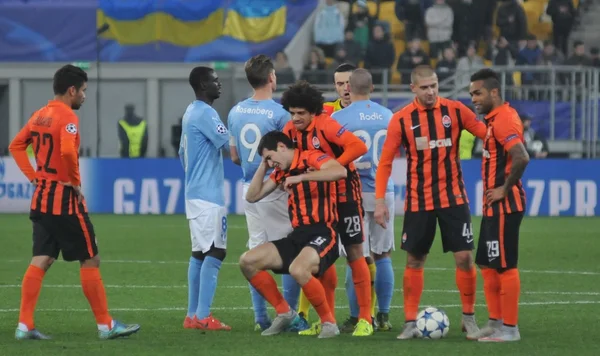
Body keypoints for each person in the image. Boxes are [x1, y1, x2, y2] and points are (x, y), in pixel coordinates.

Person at [8, 64, 140, 340]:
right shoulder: (67, 117)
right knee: (90, 258)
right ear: (71, 90)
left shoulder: (39, 115)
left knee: (41, 259)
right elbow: (68, 150)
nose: (84, 96)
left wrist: (34, 177)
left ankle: (24, 325)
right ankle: (106, 325)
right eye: (83, 91)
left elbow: (16, 146)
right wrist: (75, 182)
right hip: (63, 199)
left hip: (41, 197)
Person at [374, 65, 487, 340]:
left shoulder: (456, 110)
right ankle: (411, 322)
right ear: (413, 88)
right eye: (424, 87)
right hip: (418, 200)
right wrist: (379, 200)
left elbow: (486, 134)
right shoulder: (401, 119)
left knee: (465, 257)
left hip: (454, 197)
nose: (431, 91)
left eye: (434, 85)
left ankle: (469, 318)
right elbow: (386, 161)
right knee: (415, 260)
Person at [282, 81, 373, 337]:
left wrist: (333, 167)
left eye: (301, 113)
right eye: (292, 112)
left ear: (313, 111)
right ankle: (327, 320)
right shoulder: (289, 130)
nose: (296, 118)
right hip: (318, 199)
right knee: (324, 257)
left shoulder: (326, 124)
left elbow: (358, 146)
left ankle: (365, 318)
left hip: (345, 194)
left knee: (355, 251)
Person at [239, 131, 343, 339]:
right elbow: (252, 197)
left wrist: (302, 177)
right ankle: (285, 312)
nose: (271, 163)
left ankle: (329, 323)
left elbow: (339, 171)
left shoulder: (310, 156)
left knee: (298, 269)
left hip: (325, 231)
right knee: (247, 261)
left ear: (282, 147)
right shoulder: (280, 172)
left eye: (270, 157)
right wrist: (263, 164)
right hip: (298, 236)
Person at [228, 54, 303, 331]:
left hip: (249, 188)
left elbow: (234, 156)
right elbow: (288, 156)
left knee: (255, 252)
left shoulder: (235, 112)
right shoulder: (280, 114)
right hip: (275, 188)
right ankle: (292, 317)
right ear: (272, 78)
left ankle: (260, 317)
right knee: (289, 252)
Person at [331, 68, 395, 332]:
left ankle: (357, 315)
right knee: (383, 255)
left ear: (350, 88)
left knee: (355, 256)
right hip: (383, 192)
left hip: (353, 192)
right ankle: (383, 315)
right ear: (372, 87)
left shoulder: (338, 117)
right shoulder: (388, 116)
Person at [468, 68, 529, 342]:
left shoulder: (503, 119)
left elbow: (521, 157)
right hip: (493, 206)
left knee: (504, 265)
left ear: (494, 92)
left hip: (505, 206)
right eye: (471, 94)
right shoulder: (495, 119)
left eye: (478, 93)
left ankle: (510, 329)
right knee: (487, 264)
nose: (473, 99)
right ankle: (495, 322)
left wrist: (504, 188)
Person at [179, 66, 231, 331]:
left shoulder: (190, 112)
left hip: (194, 193)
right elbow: (229, 146)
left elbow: (181, 154)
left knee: (199, 252)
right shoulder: (207, 113)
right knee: (216, 251)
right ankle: (202, 316)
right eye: (215, 81)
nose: (219, 84)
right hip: (208, 196)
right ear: (202, 84)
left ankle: (192, 316)